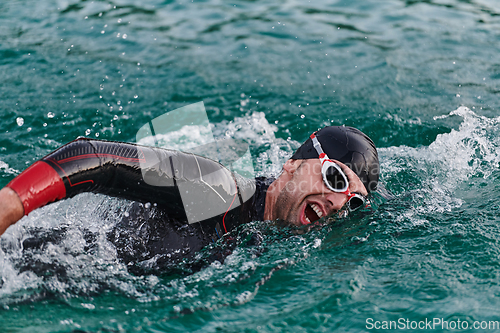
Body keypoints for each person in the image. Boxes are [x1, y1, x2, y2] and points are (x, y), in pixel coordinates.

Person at [0, 126, 379, 270]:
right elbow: (95, 157)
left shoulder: (280, 240)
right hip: (33, 269)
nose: (339, 203)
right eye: (334, 178)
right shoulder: (218, 189)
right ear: (294, 163)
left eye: (354, 201)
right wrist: (10, 205)